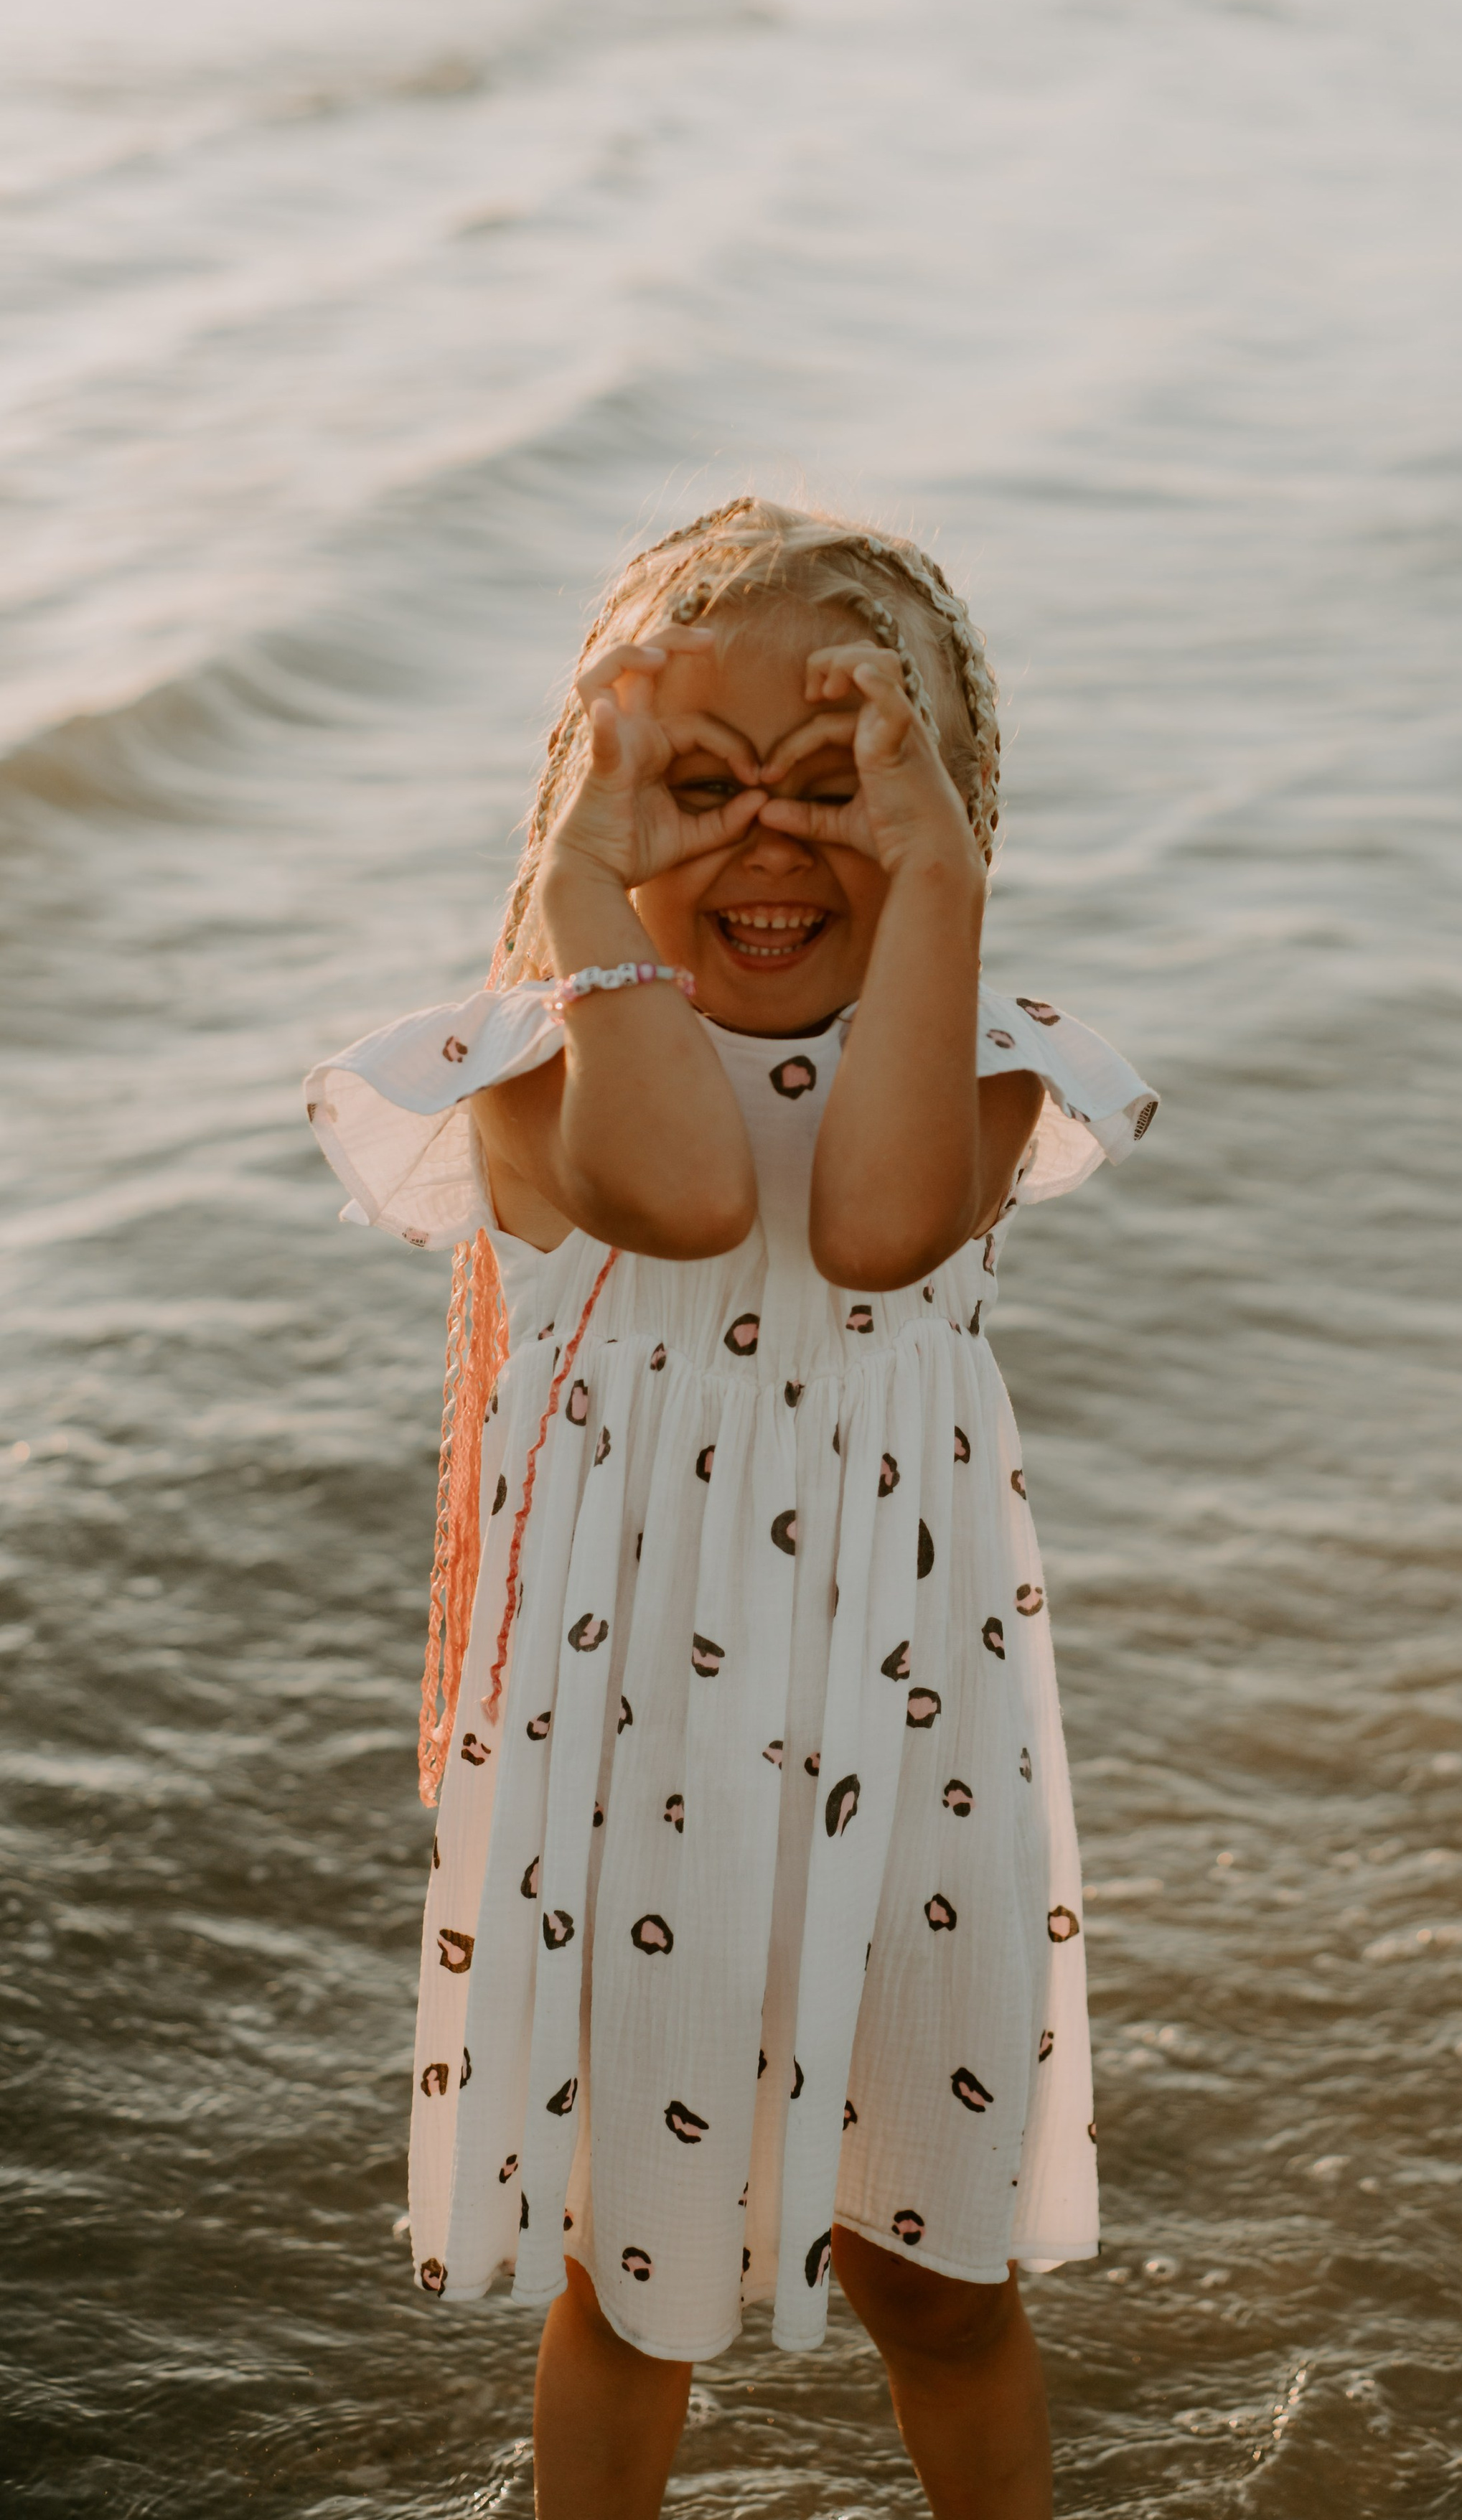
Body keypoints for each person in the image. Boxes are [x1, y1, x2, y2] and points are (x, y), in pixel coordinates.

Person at [304, 498, 1158, 2517]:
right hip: (646, 1761)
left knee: (932, 2275)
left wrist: (934, 882)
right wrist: (594, 898)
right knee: (634, 2282)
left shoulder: (990, 1073)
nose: (771, 842)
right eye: (696, 787)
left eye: (846, 790)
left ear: (948, 811)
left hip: (920, 1746)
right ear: (589, 805)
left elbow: (869, 1229)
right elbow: (686, 1192)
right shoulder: (534, 1064)